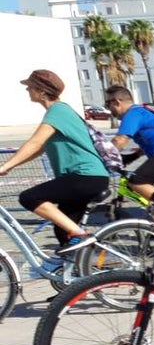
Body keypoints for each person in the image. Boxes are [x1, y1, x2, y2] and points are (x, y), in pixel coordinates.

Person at [0, 69, 109, 254]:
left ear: (42, 92)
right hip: (89, 178)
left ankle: (80, 235)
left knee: (29, 197)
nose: (27, 91)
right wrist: (10, 167)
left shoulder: (57, 111)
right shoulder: (61, 112)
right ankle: (77, 275)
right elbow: (39, 148)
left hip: (84, 177)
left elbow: (35, 142)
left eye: (30, 87)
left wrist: (5, 166)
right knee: (62, 231)